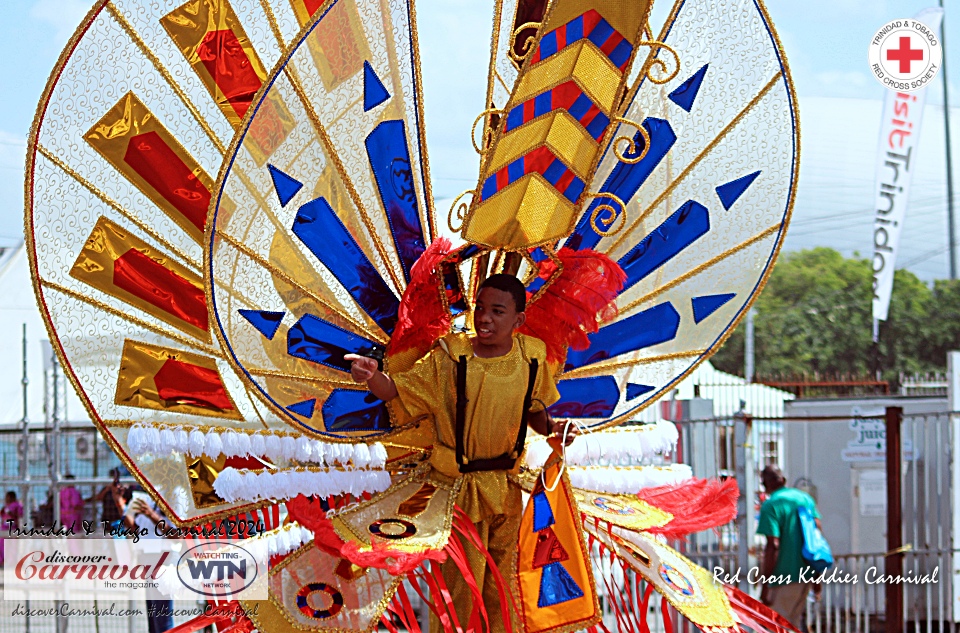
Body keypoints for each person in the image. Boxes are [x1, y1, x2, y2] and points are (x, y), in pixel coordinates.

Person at [347, 274, 572, 631]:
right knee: (460, 591)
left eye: (497, 311)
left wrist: (556, 429)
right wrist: (371, 376)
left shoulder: (532, 358)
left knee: (506, 589)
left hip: (508, 492)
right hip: (457, 493)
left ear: (518, 320)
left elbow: (536, 411)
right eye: (479, 308)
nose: (484, 318)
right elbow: (397, 391)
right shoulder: (450, 358)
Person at [757, 465, 823, 628]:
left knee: (774, 626)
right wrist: (817, 580)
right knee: (792, 625)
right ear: (783, 480)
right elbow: (816, 538)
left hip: (783, 576)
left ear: (765, 484)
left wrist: (765, 584)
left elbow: (773, 545)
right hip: (806, 574)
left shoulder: (771, 505)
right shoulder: (804, 499)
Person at [123, 487, 174, 633]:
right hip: (149, 558)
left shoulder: (172, 493)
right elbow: (134, 528)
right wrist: (119, 499)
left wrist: (151, 514)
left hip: (164, 558)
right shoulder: (146, 495)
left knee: (163, 620)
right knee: (154, 621)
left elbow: (177, 535)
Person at [1, 490, 24, 565]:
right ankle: (3, 561)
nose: (6, 498)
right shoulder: (6, 506)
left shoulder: (17, 505)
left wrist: (12, 514)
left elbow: (20, 516)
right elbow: (3, 516)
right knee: (3, 545)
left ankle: (11, 562)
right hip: (4, 528)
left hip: (13, 528)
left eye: (7, 497)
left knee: (12, 546)